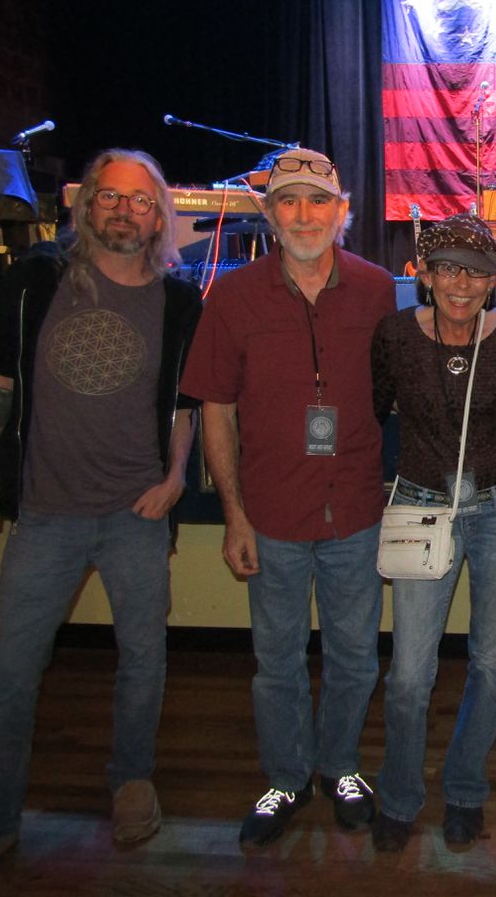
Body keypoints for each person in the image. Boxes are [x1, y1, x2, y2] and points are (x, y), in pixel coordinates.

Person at [0, 149, 203, 897]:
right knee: (11, 674)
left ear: (159, 217)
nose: (124, 210)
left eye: (140, 200)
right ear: (86, 206)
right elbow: (0, 378)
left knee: (143, 658)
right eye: (111, 196)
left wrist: (175, 479)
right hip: (46, 513)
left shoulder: (180, 302)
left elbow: (184, 403)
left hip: (137, 512)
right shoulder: (35, 282)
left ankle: (132, 779)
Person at [179, 148, 396, 846]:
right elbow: (216, 408)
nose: (305, 215)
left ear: (342, 211)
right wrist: (233, 514)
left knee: (355, 657)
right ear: (270, 215)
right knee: (277, 663)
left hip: (355, 509)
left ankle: (340, 766)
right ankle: (286, 775)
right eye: (289, 201)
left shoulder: (376, 289)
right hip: (270, 514)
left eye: (318, 200)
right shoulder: (232, 296)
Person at [369, 214, 496, 852]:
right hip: (421, 506)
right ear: (424, 274)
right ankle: (399, 794)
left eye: (475, 271)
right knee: (410, 675)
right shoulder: (394, 336)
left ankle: (466, 788)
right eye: (447, 269)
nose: (460, 284)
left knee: (491, 663)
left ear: (495, 279)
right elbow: (372, 413)